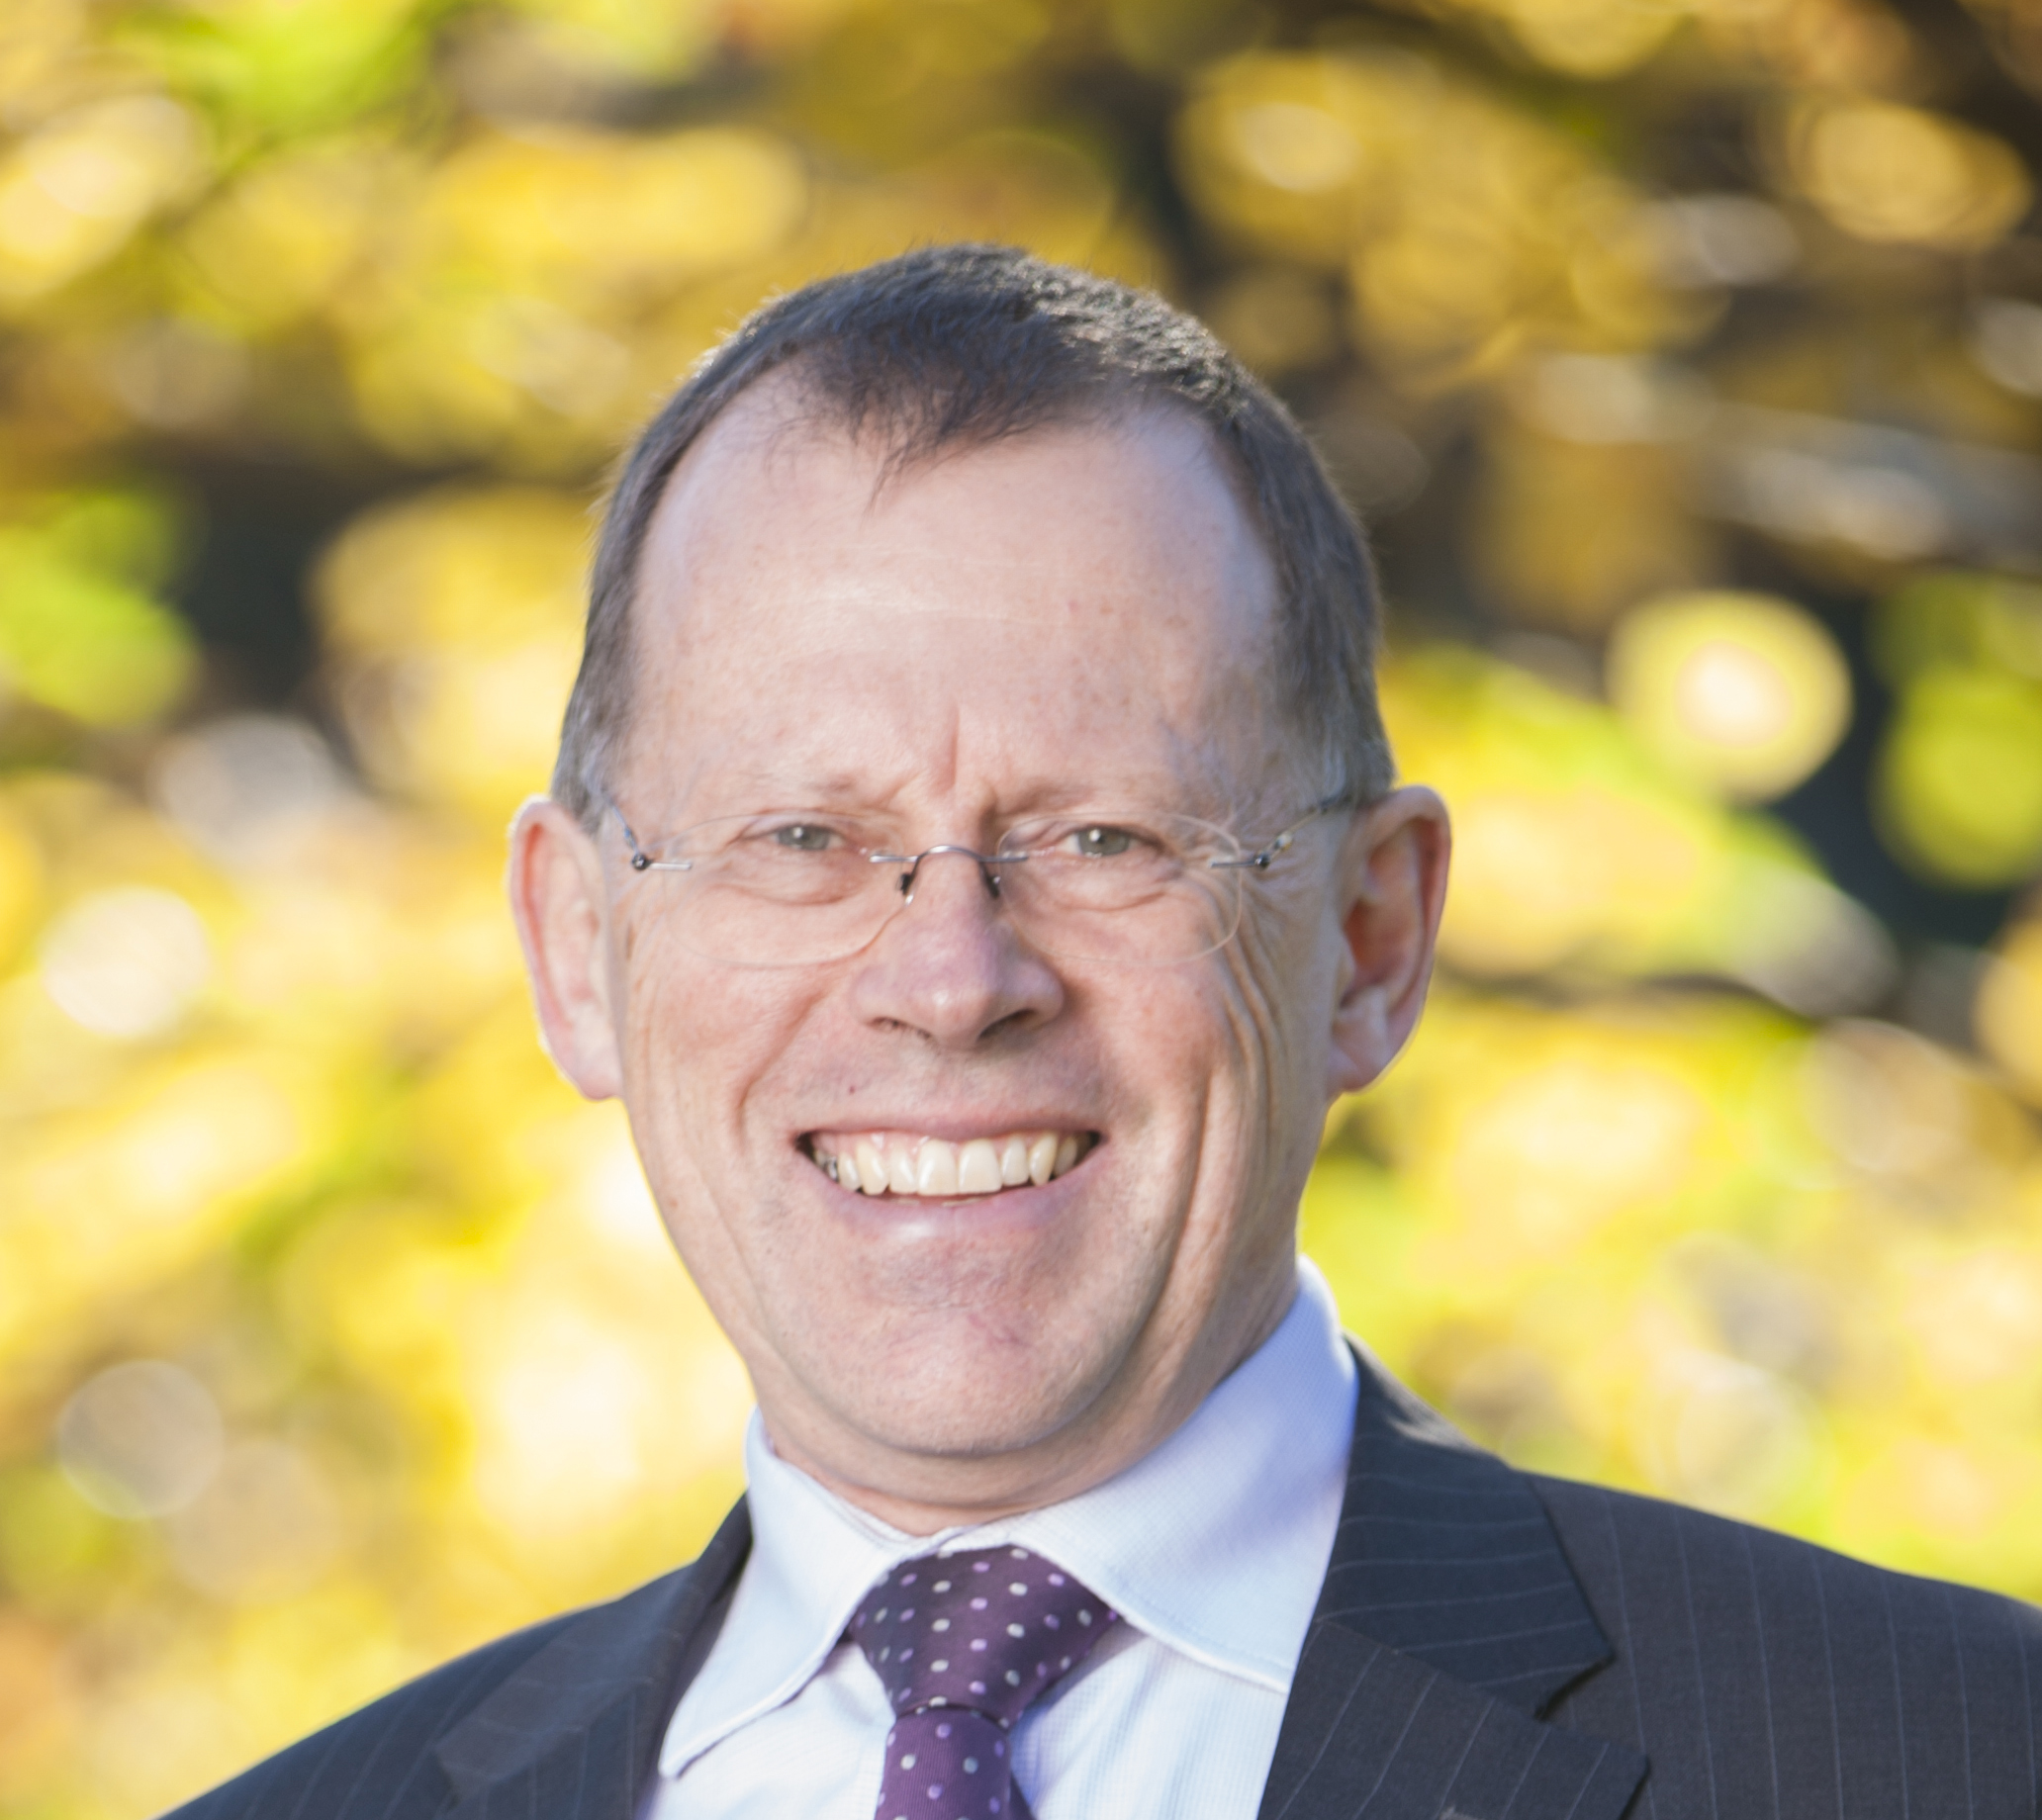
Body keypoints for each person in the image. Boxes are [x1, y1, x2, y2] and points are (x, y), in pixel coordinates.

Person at [165, 245, 2039, 1820]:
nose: (953, 979)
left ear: (1371, 938)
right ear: (576, 947)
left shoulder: (1948, 1760)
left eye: (1105, 840)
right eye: (803, 839)